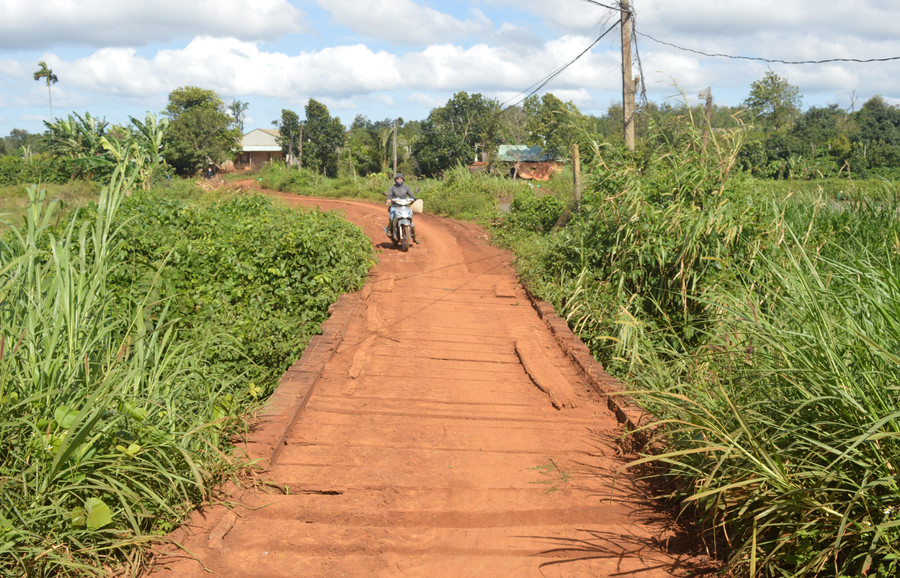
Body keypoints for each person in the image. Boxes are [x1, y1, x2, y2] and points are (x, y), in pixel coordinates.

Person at [384, 173, 418, 242]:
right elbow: (389, 194)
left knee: (411, 219)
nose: (399, 180)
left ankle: (414, 237)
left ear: (403, 180)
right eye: (398, 179)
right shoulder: (392, 187)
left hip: (405, 206)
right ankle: (390, 230)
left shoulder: (406, 187)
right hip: (395, 206)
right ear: (395, 180)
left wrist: (415, 198)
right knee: (392, 217)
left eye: (400, 179)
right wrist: (388, 199)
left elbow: (411, 194)